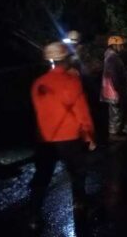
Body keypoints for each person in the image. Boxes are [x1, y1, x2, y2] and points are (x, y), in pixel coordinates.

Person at [28, 42, 96, 230]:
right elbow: (82, 111)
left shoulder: (38, 83)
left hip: (45, 139)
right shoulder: (72, 81)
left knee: (42, 176)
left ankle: (33, 214)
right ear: (65, 59)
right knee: (77, 173)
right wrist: (89, 135)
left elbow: (38, 113)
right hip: (69, 138)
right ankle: (80, 204)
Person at [100, 35, 127, 140]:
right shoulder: (113, 58)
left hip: (111, 88)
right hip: (113, 89)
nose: (122, 48)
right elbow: (114, 75)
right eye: (120, 45)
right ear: (114, 46)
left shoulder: (110, 56)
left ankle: (117, 131)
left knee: (115, 111)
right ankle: (113, 134)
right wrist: (118, 89)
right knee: (115, 112)